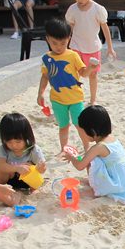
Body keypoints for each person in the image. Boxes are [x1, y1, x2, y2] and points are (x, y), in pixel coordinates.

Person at [37, 18, 92, 154]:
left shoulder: (73, 55)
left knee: (80, 125)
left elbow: (83, 73)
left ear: (69, 38)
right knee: (63, 126)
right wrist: (40, 93)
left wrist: (91, 67)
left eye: (63, 43)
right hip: (57, 100)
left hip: (76, 99)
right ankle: (64, 149)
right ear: (47, 39)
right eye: (54, 43)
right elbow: (45, 76)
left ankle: (87, 147)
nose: (59, 47)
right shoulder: (46, 58)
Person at [63, 105, 125, 204]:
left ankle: (97, 188)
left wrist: (71, 158)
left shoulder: (99, 147)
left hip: (116, 184)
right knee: (92, 158)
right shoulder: (112, 138)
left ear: (92, 131)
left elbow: (80, 166)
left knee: (91, 161)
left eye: (83, 131)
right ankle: (97, 183)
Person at [65, 0, 116, 106]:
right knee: (75, 74)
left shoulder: (98, 9)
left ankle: (93, 99)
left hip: (92, 48)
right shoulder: (72, 9)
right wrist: (65, 47)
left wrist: (110, 48)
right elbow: (69, 29)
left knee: (92, 75)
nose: (79, 0)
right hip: (75, 46)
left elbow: (105, 29)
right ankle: (76, 97)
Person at [0, 112, 47, 192]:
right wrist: (16, 168)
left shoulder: (33, 149)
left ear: (26, 137)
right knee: (1, 170)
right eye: (9, 142)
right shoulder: (4, 148)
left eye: (18, 142)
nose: (14, 146)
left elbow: (42, 169)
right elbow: (0, 165)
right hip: (10, 180)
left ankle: (32, 191)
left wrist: (40, 168)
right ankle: (2, 187)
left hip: (28, 180)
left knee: (34, 172)